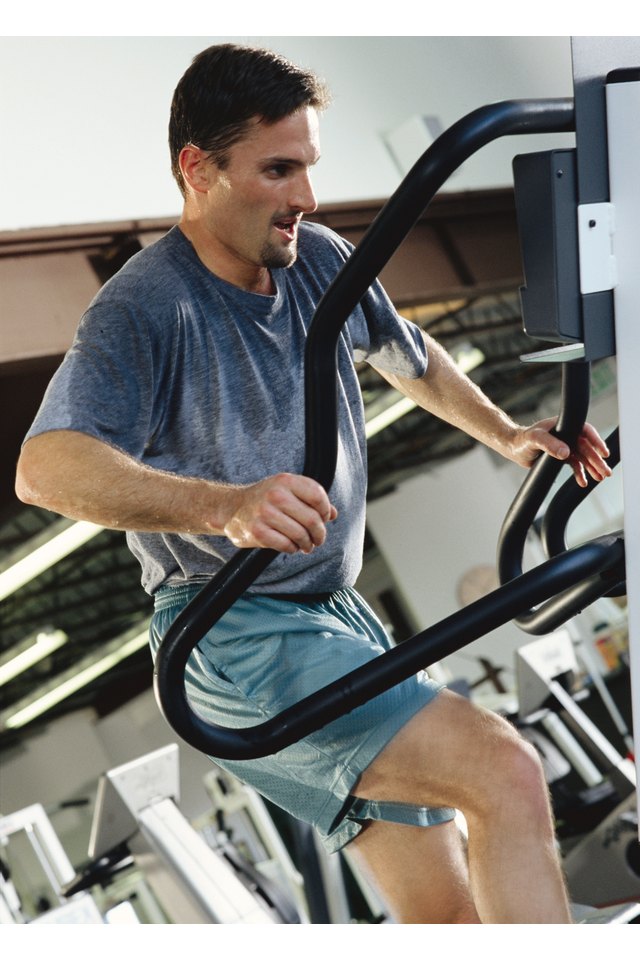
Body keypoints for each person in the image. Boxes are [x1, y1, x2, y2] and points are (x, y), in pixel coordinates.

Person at [15, 43, 611, 924]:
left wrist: (508, 432)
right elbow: (44, 467)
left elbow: (411, 358)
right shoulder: (147, 306)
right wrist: (223, 505)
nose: (306, 196)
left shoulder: (318, 259)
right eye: (278, 169)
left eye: (310, 168)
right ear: (198, 169)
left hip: (333, 614)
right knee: (505, 770)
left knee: (447, 915)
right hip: (232, 628)